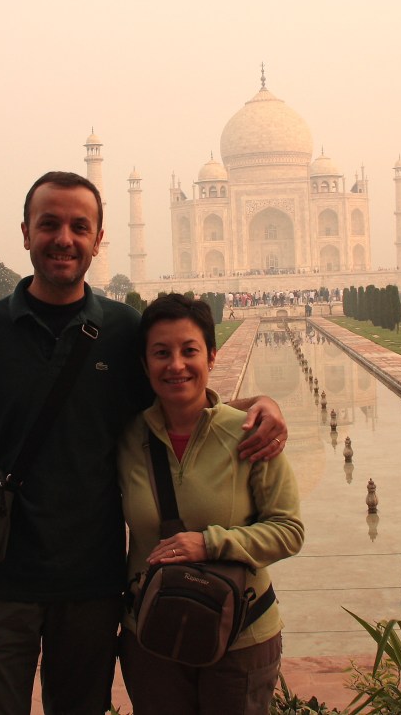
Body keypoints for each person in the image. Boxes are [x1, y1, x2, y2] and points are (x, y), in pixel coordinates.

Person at [0, 171, 288, 715]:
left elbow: (178, 398)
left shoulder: (123, 332)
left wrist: (259, 403)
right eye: (49, 224)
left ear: (99, 240)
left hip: (90, 587)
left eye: (80, 226)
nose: (64, 238)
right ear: (26, 232)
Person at [118, 294, 303, 715]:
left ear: (212, 357)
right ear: (144, 364)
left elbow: (289, 531)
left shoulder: (252, 433)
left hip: (241, 636)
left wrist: (209, 544)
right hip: (150, 634)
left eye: (190, 351)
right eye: (161, 353)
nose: (176, 365)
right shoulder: (127, 437)